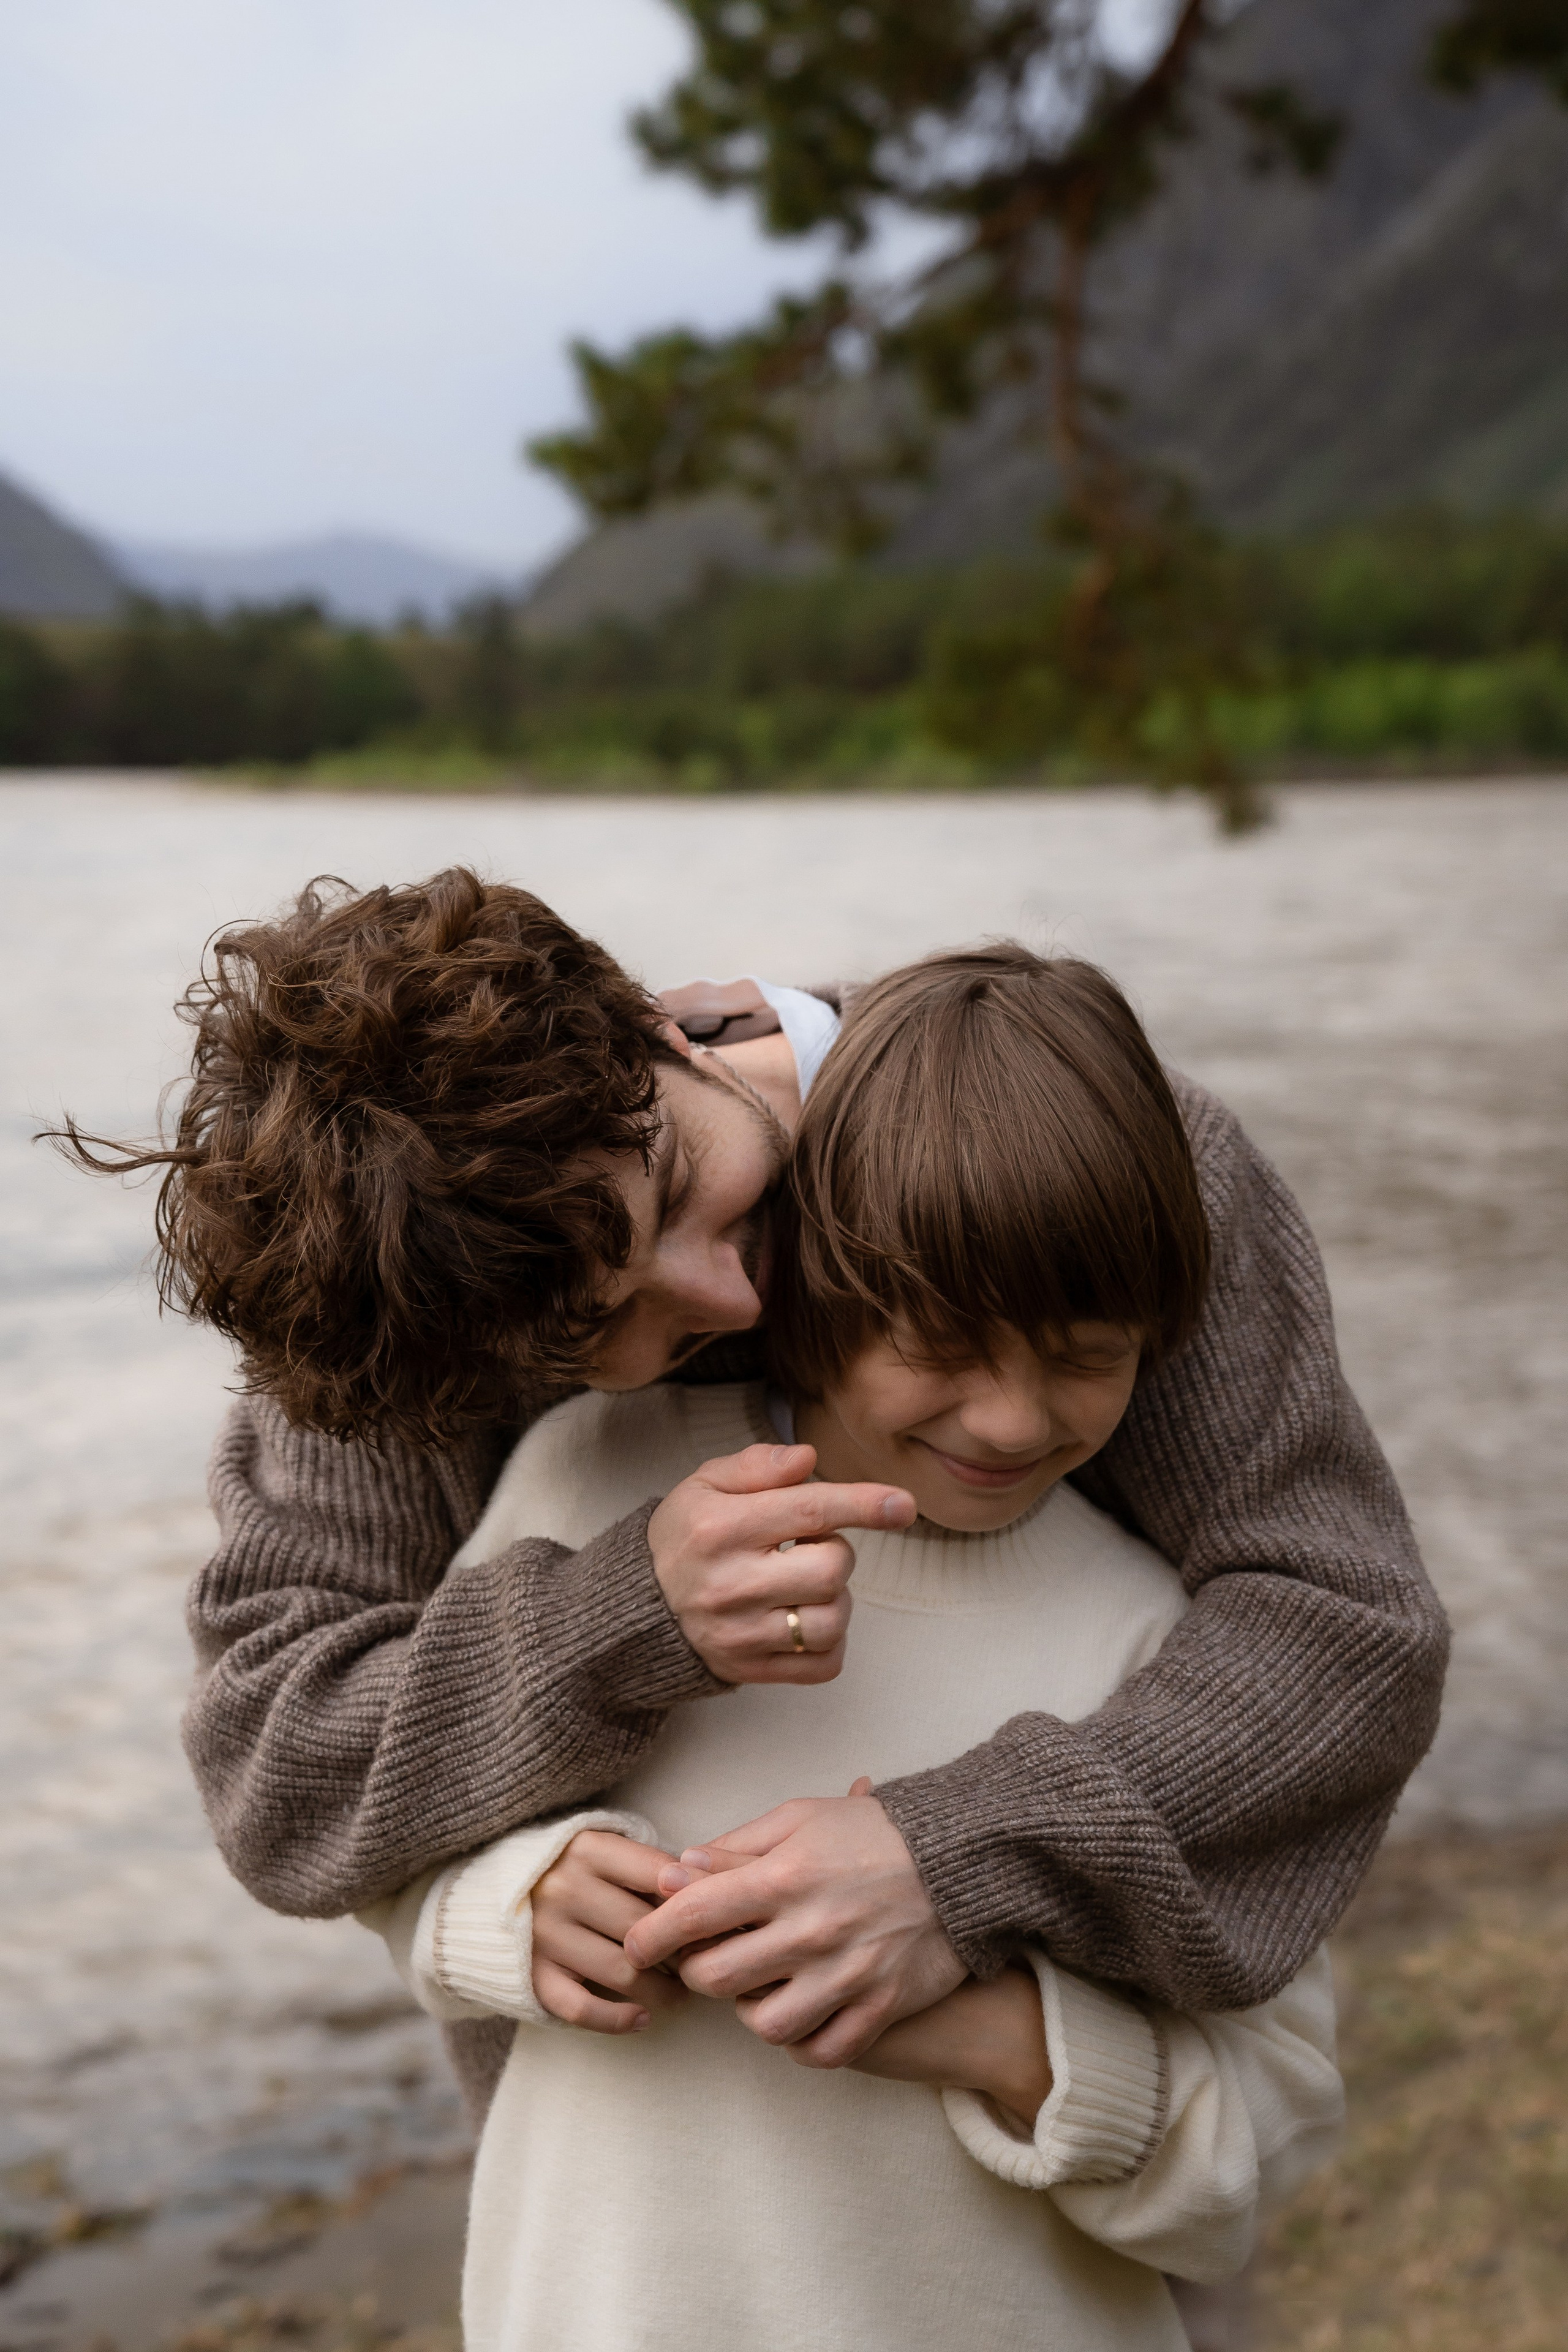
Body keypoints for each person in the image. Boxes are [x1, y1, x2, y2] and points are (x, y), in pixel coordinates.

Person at [50, 867, 1446, 2128]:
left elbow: (1343, 1621)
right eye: (600, 1330)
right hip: (622, 2191)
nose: (726, 1299)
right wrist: (613, 1623)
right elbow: (277, 1768)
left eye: (677, 1189)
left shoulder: (1101, 1144)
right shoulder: (412, 1320)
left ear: (652, 1027)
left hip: (1067, 2182)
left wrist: (954, 1856)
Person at [358, 947, 1346, 2352]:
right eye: (940, 1344)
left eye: (1088, 1353)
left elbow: (1271, 2131)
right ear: (802, 1285)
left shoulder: (1168, 1656)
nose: (1011, 1420)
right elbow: (392, 1838)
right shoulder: (586, 1486)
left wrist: (1011, 2045)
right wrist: (506, 1905)